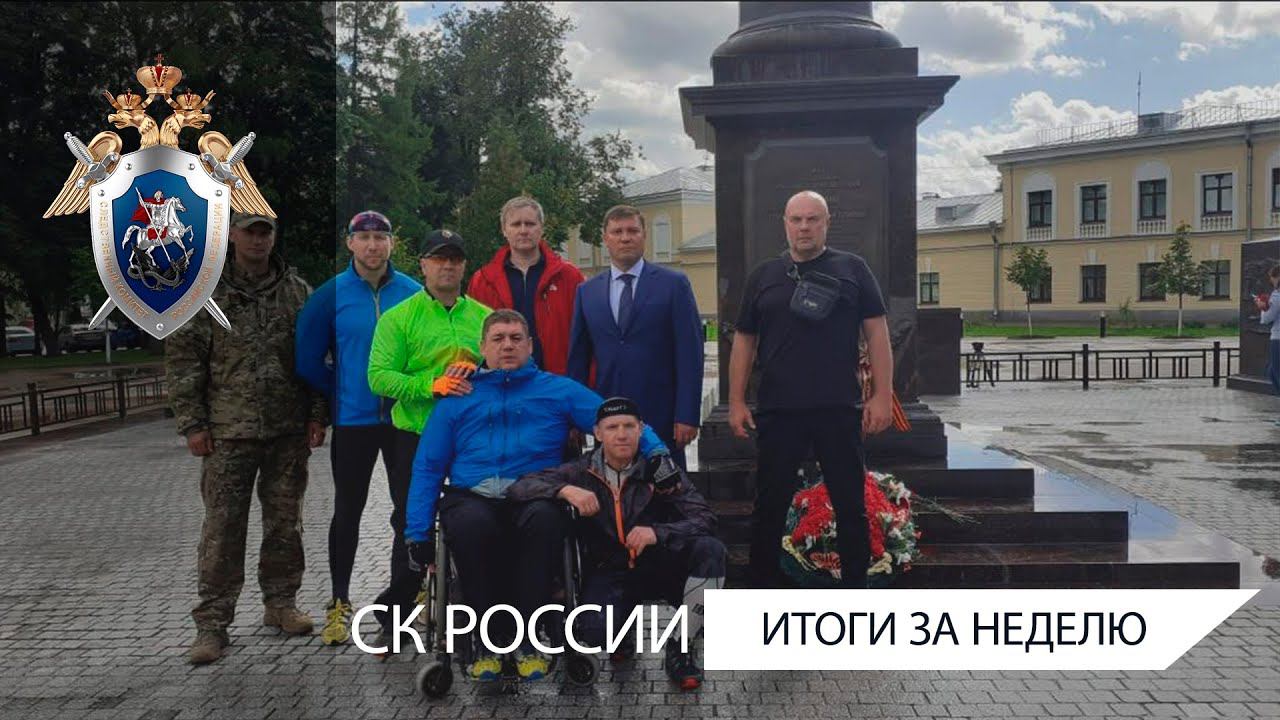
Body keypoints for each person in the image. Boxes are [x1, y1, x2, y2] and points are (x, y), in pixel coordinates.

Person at [402, 310, 674, 681]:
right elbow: (428, 466)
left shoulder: (557, 390)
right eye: (498, 339)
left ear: (530, 346)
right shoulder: (457, 397)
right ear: (482, 347)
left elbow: (616, 420)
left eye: (516, 338)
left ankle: (529, 640)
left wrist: (656, 453)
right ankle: (487, 641)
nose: (507, 345)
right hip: (472, 494)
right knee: (469, 525)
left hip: (536, 492)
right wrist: (416, 532)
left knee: (546, 520)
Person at [166, 212, 328, 665]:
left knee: (285, 524)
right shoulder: (204, 293)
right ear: (232, 235)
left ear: (273, 237)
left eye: (265, 232)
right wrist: (193, 424)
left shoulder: (298, 293)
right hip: (227, 433)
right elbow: (183, 362)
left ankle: (281, 603)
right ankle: (212, 624)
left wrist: (318, 414)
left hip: (286, 430)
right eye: (250, 232)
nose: (258, 240)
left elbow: (317, 357)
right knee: (222, 529)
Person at [727, 190, 895, 590]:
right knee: (769, 504)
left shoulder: (853, 269)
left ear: (826, 223)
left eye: (812, 219)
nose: (804, 227)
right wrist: (735, 401)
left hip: (838, 408)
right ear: (785, 224)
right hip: (778, 409)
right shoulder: (764, 276)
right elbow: (745, 340)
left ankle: (855, 590)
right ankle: (762, 589)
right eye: (796, 219)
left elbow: (877, 333)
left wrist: (882, 395)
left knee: (850, 504)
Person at [508, 396, 724, 690]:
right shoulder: (580, 472)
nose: (621, 434)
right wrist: (565, 490)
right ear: (598, 433)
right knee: (593, 632)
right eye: (612, 427)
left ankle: (681, 644)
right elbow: (519, 487)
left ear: (641, 430)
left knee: (711, 550)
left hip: (660, 563)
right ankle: (621, 630)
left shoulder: (660, 471)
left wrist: (657, 532)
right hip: (610, 569)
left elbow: (705, 518)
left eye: (628, 426)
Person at [294, 210, 422, 645]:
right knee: (348, 511)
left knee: (408, 513)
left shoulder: (412, 292)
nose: (372, 245)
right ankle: (339, 602)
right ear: (349, 243)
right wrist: (341, 390)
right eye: (363, 237)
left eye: (380, 237)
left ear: (391, 244)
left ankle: (402, 605)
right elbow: (307, 358)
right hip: (353, 421)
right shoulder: (331, 295)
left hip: (403, 420)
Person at [366, 229, 490, 643]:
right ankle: (396, 616)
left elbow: (509, 367)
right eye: (439, 259)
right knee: (410, 522)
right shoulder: (399, 318)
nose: (447, 266)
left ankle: (479, 611)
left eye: (455, 259)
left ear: (464, 266)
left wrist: (482, 373)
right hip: (416, 436)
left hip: (471, 439)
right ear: (423, 265)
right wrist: (430, 385)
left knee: (481, 517)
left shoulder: (485, 317)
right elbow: (378, 377)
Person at [567, 205, 704, 468]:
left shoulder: (673, 285)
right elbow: (578, 361)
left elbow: (690, 354)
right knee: (613, 488)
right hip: (608, 415)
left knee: (665, 485)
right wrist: (574, 417)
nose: (625, 238)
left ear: (644, 235)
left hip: (663, 415)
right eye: (617, 232)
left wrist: (687, 414)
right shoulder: (587, 292)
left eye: (632, 231)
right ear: (605, 238)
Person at [466, 195, 585, 375]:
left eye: (530, 224)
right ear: (504, 230)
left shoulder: (568, 276)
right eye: (516, 224)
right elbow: (473, 335)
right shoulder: (483, 280)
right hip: (502, 381)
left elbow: (585, 334)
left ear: (541, 228)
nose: (523, 230)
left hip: (556, 380)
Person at [1254, 264, 1280, 404]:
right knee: (1271, 370)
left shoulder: (1276, 295)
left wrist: (1262, 307)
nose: (1271, 280)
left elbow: (1267, 319)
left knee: (1275, 372)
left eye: (1272, 277)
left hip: (1278, 338)